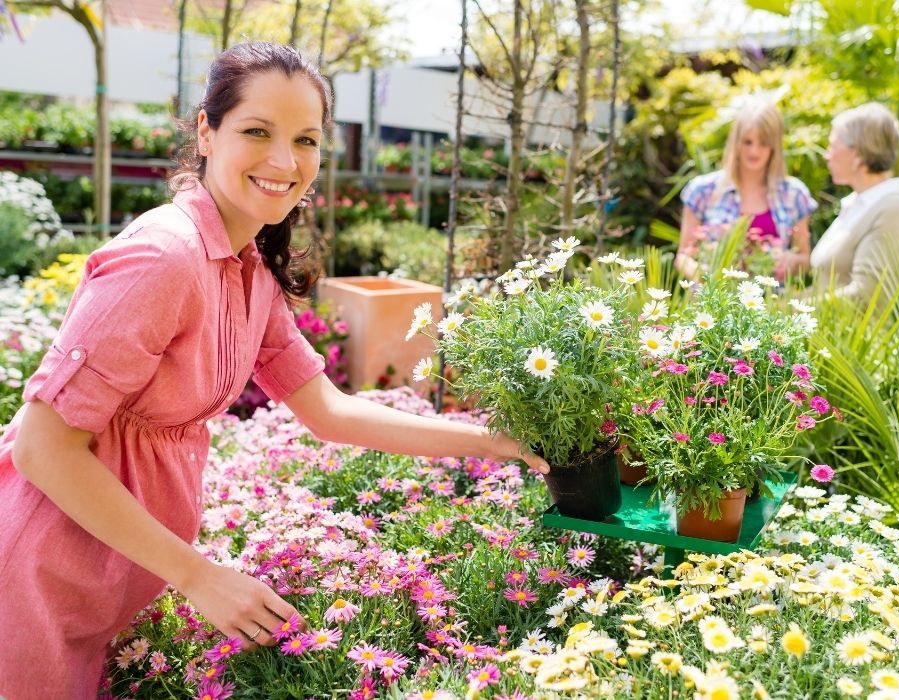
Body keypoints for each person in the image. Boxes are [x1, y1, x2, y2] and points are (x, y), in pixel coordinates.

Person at [0, 42, 548, 700]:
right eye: (257, 132)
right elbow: (40, 445)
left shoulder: (246, 270)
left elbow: (330, 413)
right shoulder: (163, 258)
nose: (285, 162)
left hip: (106, 579)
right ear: (207, 130)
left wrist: (489, 439)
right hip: (32, 582)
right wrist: (199, 576)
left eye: (307, 140)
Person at [675, 101, 817, 282]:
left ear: (774, 146)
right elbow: (683, 256)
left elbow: (805, 259)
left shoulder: (794, 194)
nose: (754, 151)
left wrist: (791, 261)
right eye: (747, 142)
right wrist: (706, 279)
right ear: (736, 143)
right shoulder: (703, 190)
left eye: (763, 143)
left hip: (771, 302)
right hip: (714, 300)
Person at [810, 102, 899, 310]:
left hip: (852, 341)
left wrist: (793, 311)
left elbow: (868, 294)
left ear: (858, 154)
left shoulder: (894, 210)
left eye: (833, 146)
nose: (827, 155)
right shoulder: (858, 204)